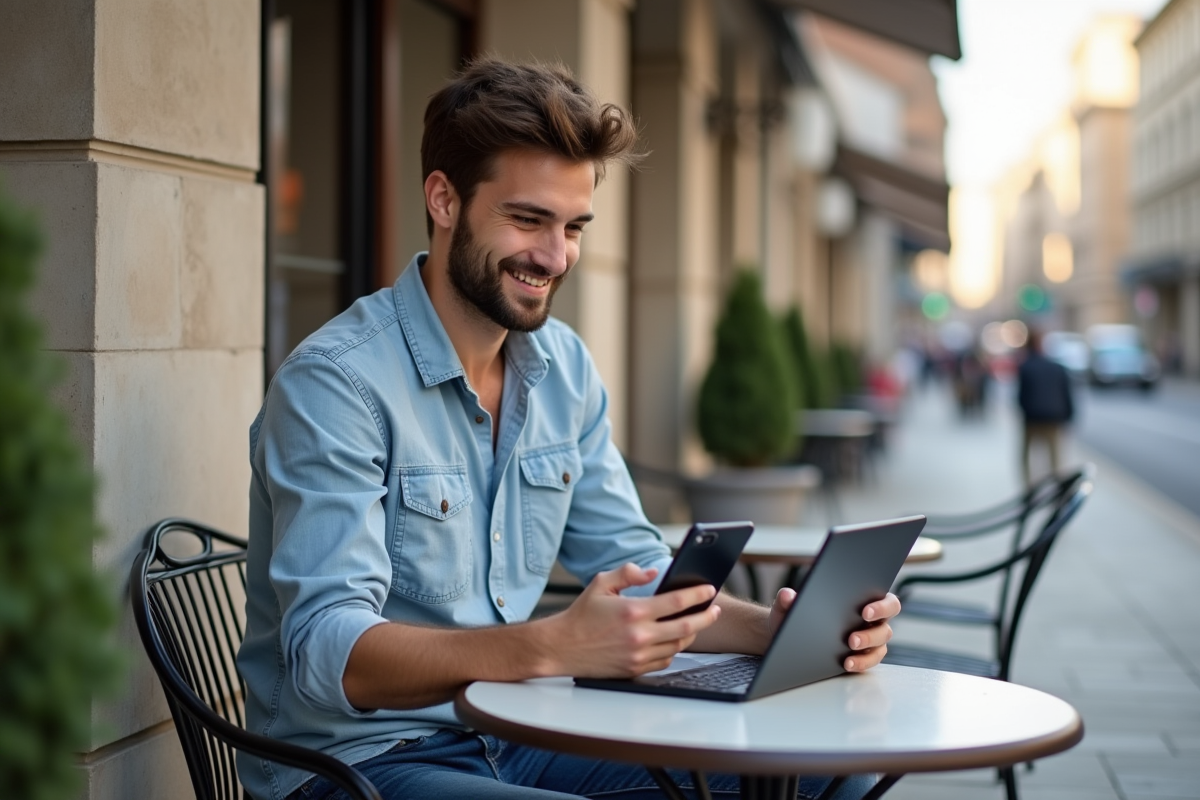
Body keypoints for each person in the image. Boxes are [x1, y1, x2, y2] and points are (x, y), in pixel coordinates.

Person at [237, 58, 900, 800]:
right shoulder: (338, 383)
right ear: (443, 198)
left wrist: (776, 632)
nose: (555, 257)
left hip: (517, 737)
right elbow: (329, 654)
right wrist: (551, 645)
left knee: (831, 772)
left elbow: (635, 562)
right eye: (527, 219)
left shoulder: (565, 368)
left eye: (573, 227)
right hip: (357, 766)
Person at [1017, 329, 1075, 485]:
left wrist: (1026, 412)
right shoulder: (1058, 368)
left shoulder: (1026, 367)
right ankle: (1057, 489)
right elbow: (1067, 395)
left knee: (1026, 456)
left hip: (1032, 418)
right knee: (1055, 458)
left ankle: (1029, 488)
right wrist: (1069, 417)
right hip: (1054, 418)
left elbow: (1021, 397)